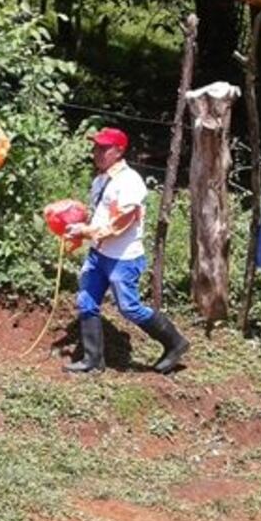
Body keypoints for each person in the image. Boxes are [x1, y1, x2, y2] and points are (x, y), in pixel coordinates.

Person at [64, 127, 190, 375]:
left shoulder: (130, 182)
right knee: (86, 302)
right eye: (95, 147)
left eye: (104, 148)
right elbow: (99, 214)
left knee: (129, 308)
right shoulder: (101, 179)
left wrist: (86, 232)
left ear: (119, 151)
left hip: (122, 258)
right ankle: (92, 360)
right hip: (98, 255)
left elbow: (121, 223)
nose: (97, 153)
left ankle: (175, 343)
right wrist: (79, 224)